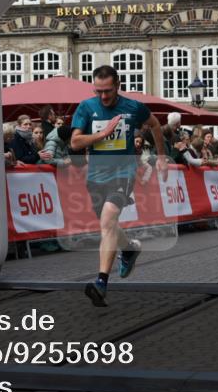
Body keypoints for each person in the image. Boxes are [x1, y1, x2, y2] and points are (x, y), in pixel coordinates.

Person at [71, 65, 167, 307]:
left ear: (118, 86)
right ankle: (130, 249)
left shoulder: (133, 107)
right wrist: (102, 135)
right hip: (96, 176)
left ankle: (101, 283)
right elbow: (74, 142)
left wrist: (162, 156)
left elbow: (155, 124)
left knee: (108, 219)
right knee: (109, 226)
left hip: (123, 172)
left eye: (108, 91)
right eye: (99, 91)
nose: (103, 96)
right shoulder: (86, 107)